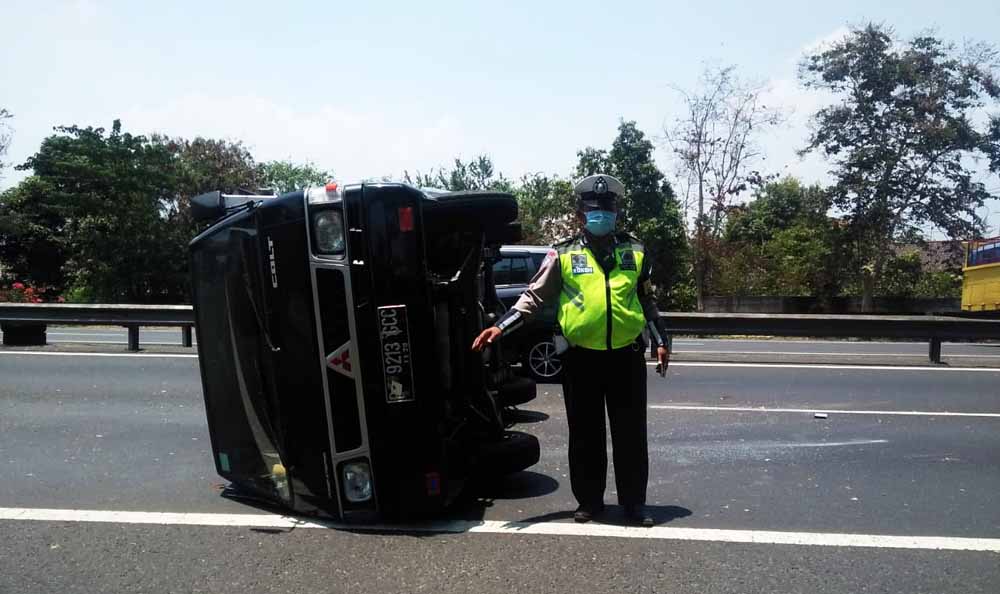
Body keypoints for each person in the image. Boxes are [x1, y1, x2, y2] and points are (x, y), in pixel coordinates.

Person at [472, 174, 670, 526]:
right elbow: (533, 297)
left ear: (616, 212)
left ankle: (634, 504)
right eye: (594, 211)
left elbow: (647, 299)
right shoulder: (563, 253)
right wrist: (500, 327)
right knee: (585, 433)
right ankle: (590, 501)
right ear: (581, 214)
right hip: (580, 359)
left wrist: (662, 341)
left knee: (631, 435)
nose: (601, 216)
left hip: (625, 356)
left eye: (607, 210)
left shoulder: (635, 251)